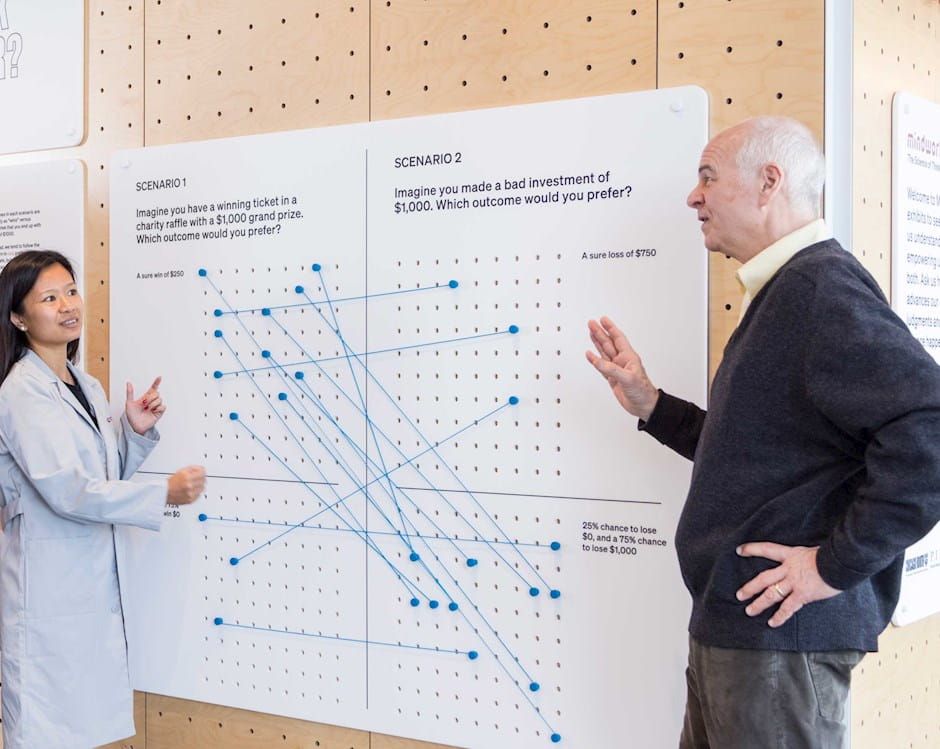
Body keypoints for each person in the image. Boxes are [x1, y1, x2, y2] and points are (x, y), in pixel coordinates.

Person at [586, 117, 940, 748]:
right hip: (744, 635)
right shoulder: (786, 293)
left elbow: (930, 430)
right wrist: (653, 405)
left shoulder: (817, 288)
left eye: (707, 177)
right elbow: (758, 455)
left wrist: (833, 566)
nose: (693, 196)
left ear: (769, 182)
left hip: (776, 642)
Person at [0, 250, 207, 748]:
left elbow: (98, 476)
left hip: (84, 590)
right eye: (49, 298)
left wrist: (133, 432)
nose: (68, 305)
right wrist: (163, 493)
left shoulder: (84, 384)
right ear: (18, 318)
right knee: (46, 731)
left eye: (71, 291)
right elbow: (69, 491)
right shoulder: (22, 391)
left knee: (80, 727)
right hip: (48, 591)